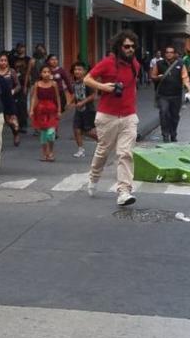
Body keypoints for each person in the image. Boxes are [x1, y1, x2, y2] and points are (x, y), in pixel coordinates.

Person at [84, 30, 141, 206]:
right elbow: (87, 79)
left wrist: (132, 108)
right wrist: (103, 87)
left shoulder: (135, 65)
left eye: (132, 46)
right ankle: (93, 178)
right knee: (103, 151)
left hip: (129, 116)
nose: (130, 49)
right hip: (107, 116)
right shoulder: (107, 63)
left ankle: (124, 191)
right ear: (119, 47)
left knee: (125, 153)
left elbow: (133, 88)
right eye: (126, 46)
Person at [151, 46, 190, 142]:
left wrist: (189, 90)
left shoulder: (180, 64)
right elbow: (152, 76)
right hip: (163, 95)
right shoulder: (159, 64)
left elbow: (185, 78)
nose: (169, 54)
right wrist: (157, 78)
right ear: (165, 54)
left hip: (176, 95)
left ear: (174, 54)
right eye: (167, 52)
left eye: (171, 52)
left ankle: (173, 134)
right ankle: (165, 134)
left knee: (175, 116)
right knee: (164, 113)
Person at [29, 64, 60, 162]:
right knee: (43, 133)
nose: (46, 74)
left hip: (51, 110)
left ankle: (51, 151)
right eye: (44, 72)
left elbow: (57, 97)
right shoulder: (37, 84)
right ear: (41, 74)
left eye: (48, 72)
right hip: (40, 110)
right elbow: (34, 97)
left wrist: (59, 110)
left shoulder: (54, 84)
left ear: (51, 74)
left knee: (50, 133)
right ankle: (44, 153)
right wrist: (31, 110)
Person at [69, 61, 98, 157]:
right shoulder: (75, 82)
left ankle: (103, 142)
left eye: (79, 69)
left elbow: (93, 95)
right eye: (75, 69)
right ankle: (81, 150)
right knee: (76, 129)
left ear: (85, 71)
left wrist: (83, 102)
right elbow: (76, 95)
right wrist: (70, 102)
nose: (77, 71)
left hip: (88, 110)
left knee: (88, 131)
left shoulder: (88, 82)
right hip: (79, 110)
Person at [0, 51, 22, 146]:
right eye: (1, 60)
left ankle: (16, 133)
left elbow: (18, 85)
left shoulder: (11, 71)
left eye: (5, 60)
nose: (3, 62)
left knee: (10, 120)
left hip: (10, 100)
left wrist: (13, 91)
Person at [46, 54, 72, 137]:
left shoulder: (61, 70)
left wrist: (72, 92)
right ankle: (51, 129)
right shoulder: (46, 70)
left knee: (56, 113)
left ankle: (54, 129)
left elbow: (67, 81)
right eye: (52, 59)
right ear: (48, 61)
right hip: (48, 95)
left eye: (56, 59)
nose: (54, 61)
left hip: (59, 95)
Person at [10, 43, 31, 134]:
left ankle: (23, 124)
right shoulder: (13, 59)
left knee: (22, 103)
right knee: (15, 103)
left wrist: (26, 86)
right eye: (19, 47)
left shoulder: (28, 59)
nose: (21, 49)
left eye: (22, 47)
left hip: (23, 83)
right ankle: (16, 122)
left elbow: (28, 73)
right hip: (14, 83)